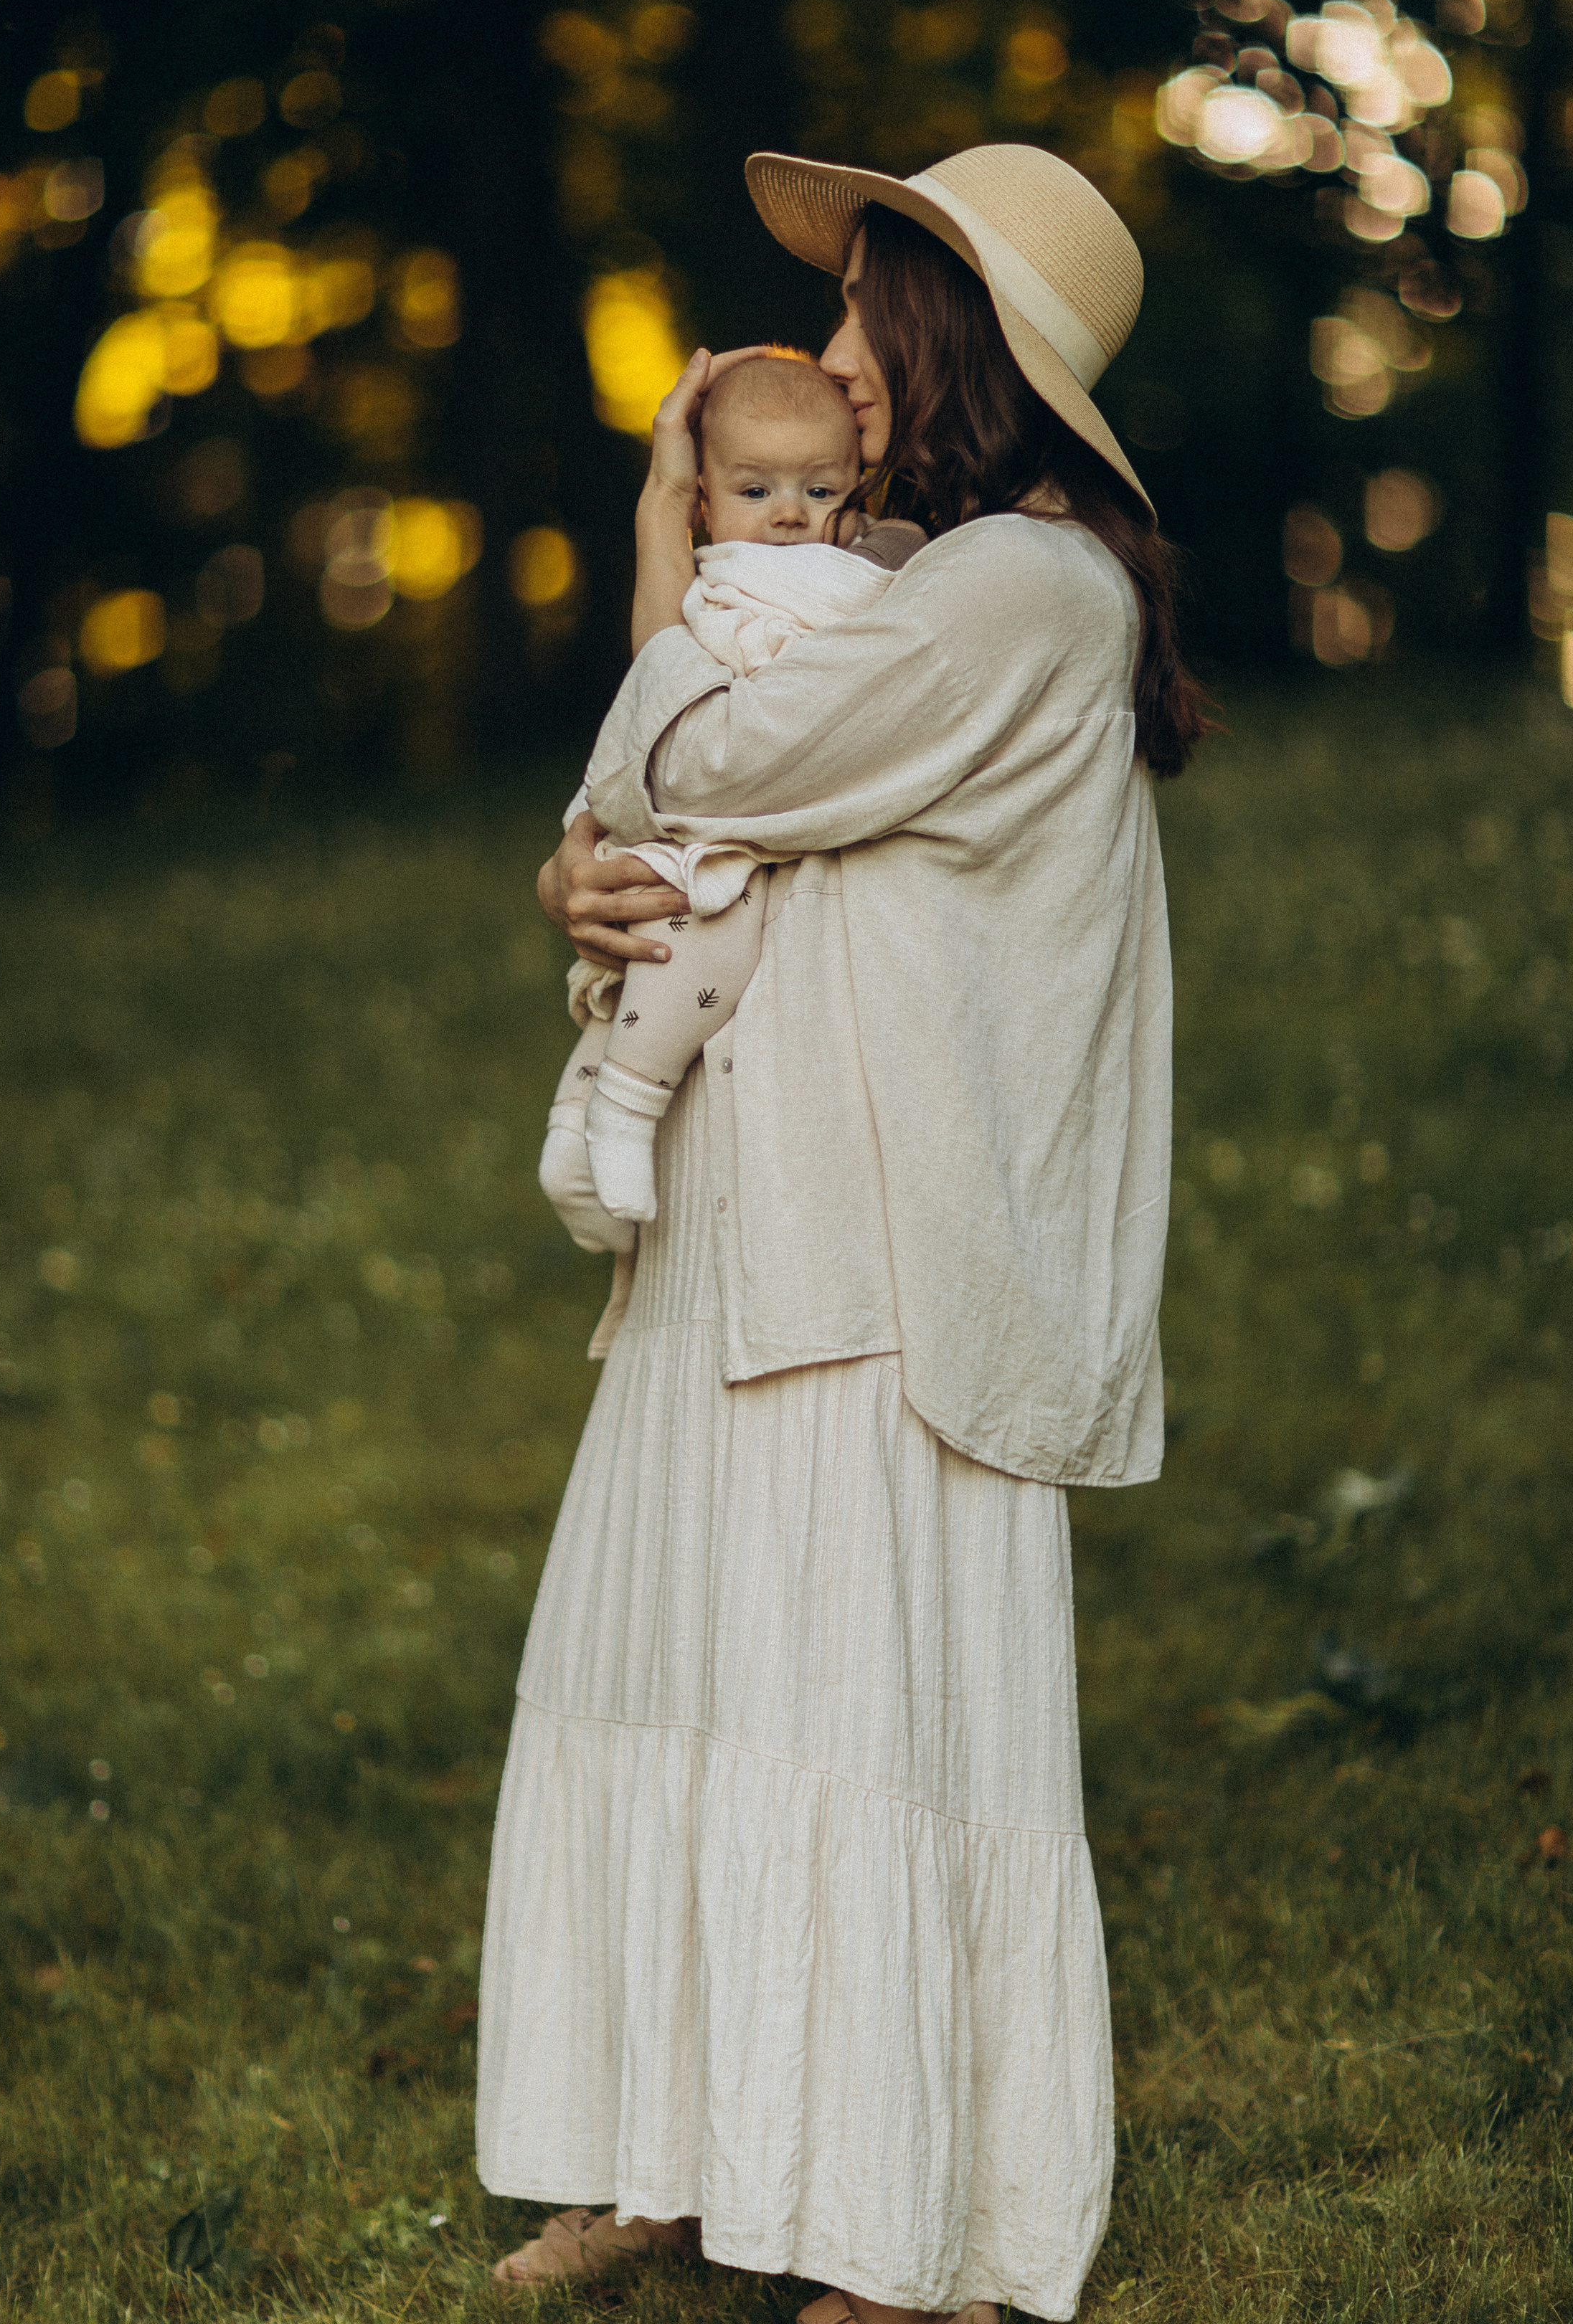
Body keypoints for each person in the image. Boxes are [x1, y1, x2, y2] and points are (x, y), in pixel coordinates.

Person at [476, 143, 1211, 2324]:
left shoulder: (1019, 591)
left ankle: (915, 2229)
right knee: (689, 1668)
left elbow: (705, 760)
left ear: (947, 327)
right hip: (752, 1201)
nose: (822, 354)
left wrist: (646, 565)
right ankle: (670, 2141)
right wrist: (575, 877)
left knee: (856, 1703)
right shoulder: (896, 570)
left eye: (864, 300)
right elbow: (675, 799)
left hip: (889, 1244)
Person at [539, 348, 926, 1246]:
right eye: (755, 492)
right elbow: (660, 682)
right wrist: (664, 499)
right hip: (678, 788)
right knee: (673, 920)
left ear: (858, 487)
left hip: (735, 799)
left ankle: (613, 1112)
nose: (790, 515)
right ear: (708, 500)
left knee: (700, 915)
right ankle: (584, 1122)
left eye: (819, 491)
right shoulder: (711, 568)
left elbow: (686, 694)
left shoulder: (887, 559)